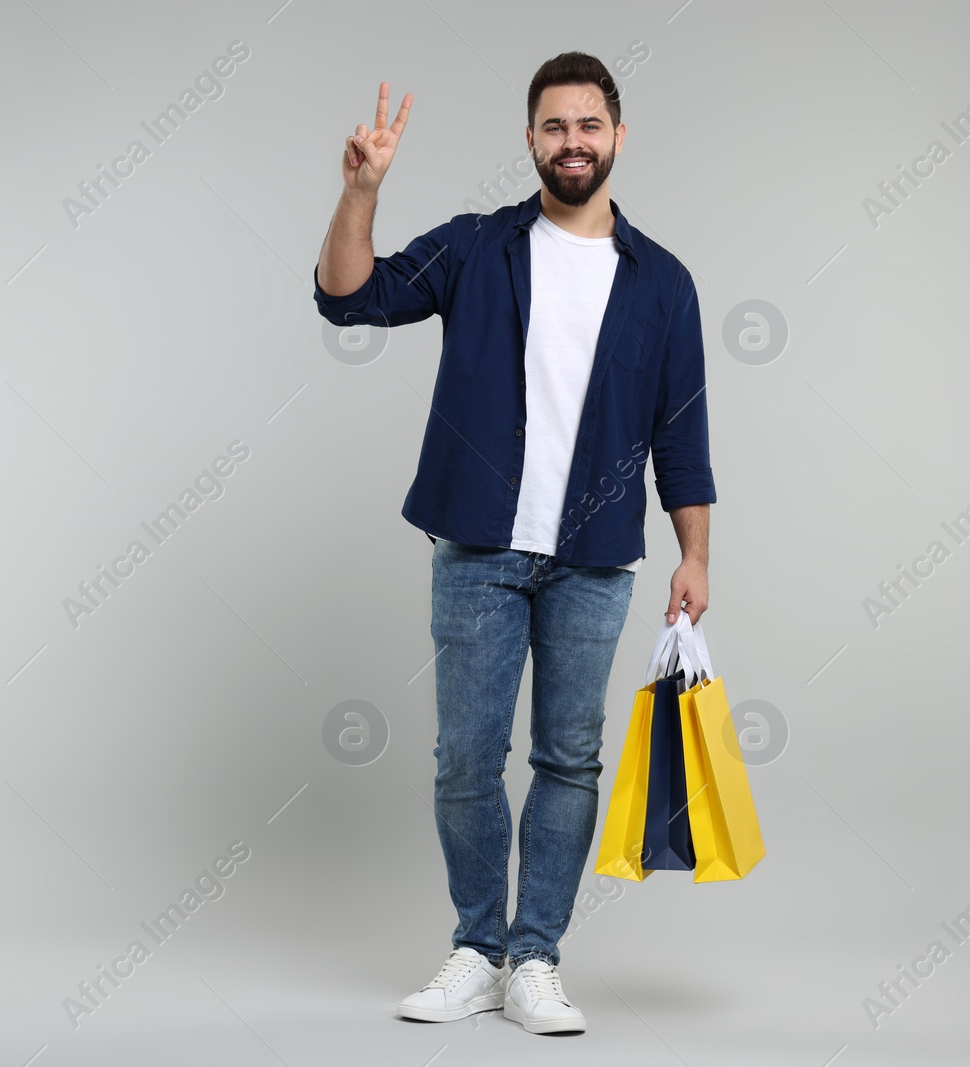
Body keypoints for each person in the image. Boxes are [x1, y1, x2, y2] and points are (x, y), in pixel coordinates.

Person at [312, 51, 715, 1035]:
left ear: (617, 137)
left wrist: (694, 553)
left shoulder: (661, 283)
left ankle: (536, 956)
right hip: (478, 548)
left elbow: (682, 430)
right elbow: (348, 295)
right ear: (530, 140)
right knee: (464, 758)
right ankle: (476, 948)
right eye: (552, 126)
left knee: (569, 760)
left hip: (594, 560)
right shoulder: (476, 249)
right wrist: (358, 192)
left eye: (587, 125)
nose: (570, 142)